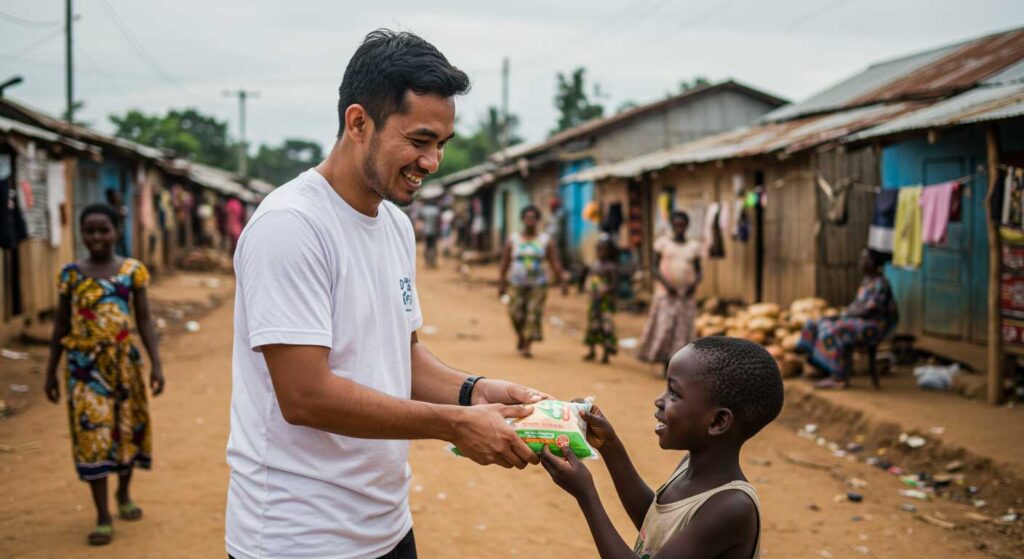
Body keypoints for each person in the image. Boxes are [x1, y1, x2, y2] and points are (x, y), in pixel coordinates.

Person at [226, 29, 549, 559]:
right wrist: (454, 424)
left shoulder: (395, 227)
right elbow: (304, 396)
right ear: (359, 123)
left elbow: (402, 355)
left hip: (385, 526)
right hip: (298, 538)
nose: (432, 163)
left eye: (441, 145)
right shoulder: (291, 226)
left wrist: (477, 391)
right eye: (419, 141)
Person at [541, 337, 784, 559]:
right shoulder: (691, 466)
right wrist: (610, 445)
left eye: (674, 393)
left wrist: (587, 494)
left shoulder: (731, 508)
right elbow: (654, 522)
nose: (659, 400)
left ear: (718, 422)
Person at [44, 203, 165, 546]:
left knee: (126, 430)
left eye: (103, 230)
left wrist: (156, 364)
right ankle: (101, 515)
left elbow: (143, 320)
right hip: (83, 369)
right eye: (89, 231)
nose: (96, 237)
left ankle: (124, 494)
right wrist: (51, 371)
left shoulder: (132, 272)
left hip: (125, 366)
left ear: (116, 231)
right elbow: (60, 325)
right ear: (81, 233)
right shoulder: (70, 275)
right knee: (92, 435)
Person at [797, 249, 899, 389]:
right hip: (858, 320)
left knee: (833, 329)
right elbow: (856, 306)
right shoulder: (866, 281)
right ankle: (821, 367)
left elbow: (870, 310)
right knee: (815, 323)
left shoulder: (881, 283)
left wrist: (844, 315)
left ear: (874, 263)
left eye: (865, 259)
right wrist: (840, 314)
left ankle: (838, 378)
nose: (861, 262)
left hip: (873, 326)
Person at [498, 205, 568, 358]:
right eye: (527, 218)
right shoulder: (513, 239)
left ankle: (527, 345)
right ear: (522, 220)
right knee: (515, 313)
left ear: (537, 220)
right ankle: (522, 336)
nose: (530, 221)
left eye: (533, 218)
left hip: (538, 284)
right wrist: (501, 282)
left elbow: (554, 261)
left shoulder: (545, 240)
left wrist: (562, 281)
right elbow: (505, 261)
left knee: (533, 313)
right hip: (516, 283)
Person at [638, 210, 702, 375]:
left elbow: (699, 272)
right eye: (677, 224)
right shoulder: (663, 244)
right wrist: (667, 285)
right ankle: (665, 363)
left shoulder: (693, 247)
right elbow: (654, 267)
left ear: (687, 225)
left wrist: (692, 286)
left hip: (685, 296)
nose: (679, 227)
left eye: (682, 224)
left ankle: (677, 365)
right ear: (672, 225)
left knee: (682, 331)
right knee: (665, 328)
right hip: (666, 294)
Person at [582, 235, 619, 364]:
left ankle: (606, 353)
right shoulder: (594, 265)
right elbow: (589, 280)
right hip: (594, 300)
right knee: (592, 326)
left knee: (606, 327)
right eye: (598, 249)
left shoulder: (611, 267)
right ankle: (591, 350)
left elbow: (614, 285)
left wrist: (605, 290)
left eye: (603, 249)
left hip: (605, 303)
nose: (600, 252)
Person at [417, 198, 441, 268]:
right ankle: (433, 261)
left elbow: (420, 220)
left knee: (427, 246)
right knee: (433, 246)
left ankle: (427, 261)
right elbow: (438, 222)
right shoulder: (436, 210)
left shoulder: (424, 209)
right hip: (434, 231)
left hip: (426, 231)